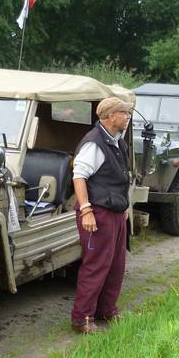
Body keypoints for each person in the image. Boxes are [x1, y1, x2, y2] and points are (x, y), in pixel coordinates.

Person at [70, 96, 134, 334]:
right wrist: (86, 210)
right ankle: (82, 318)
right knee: (96, 266)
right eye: (124, 113)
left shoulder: (117, 141)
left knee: (116, 265)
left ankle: (106, 310)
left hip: (115, 212)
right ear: (111, 116)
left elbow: (119, 178)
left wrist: (123, 206)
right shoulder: (94, 143)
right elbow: (79, 176)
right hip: (98, 212)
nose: (127, 117)